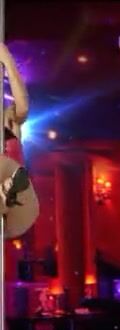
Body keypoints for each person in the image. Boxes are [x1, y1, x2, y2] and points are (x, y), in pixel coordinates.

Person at [0, 43, 38, 239]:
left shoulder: (9, 118)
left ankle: (7, 191)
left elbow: (22, 107)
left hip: (16, 204)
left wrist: (7, 60)